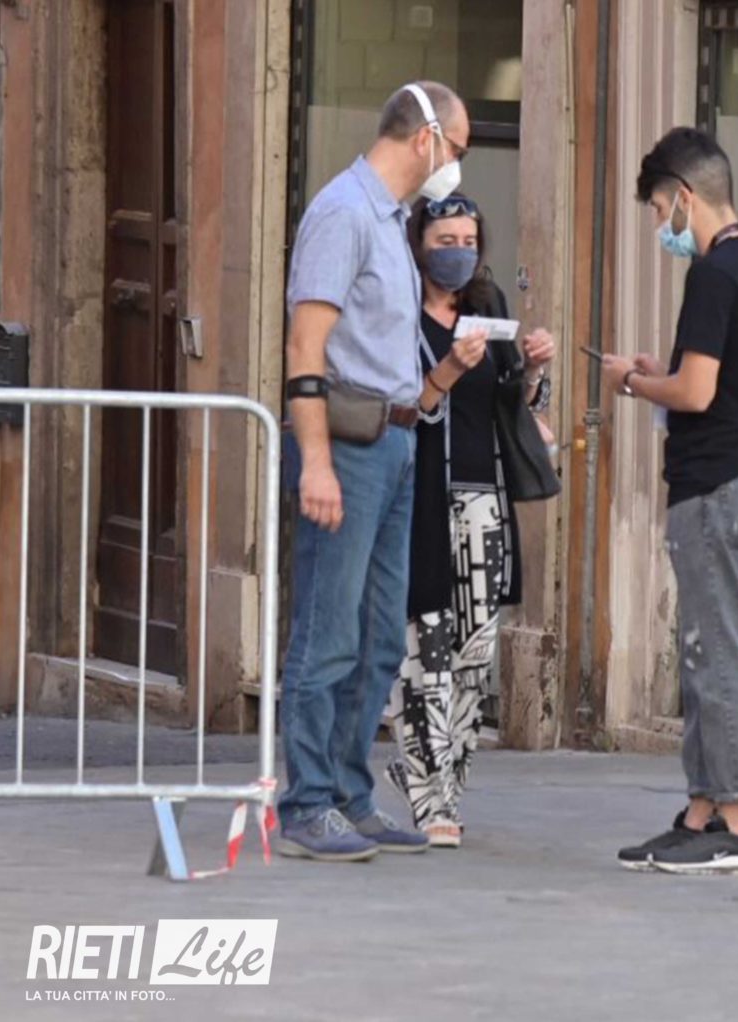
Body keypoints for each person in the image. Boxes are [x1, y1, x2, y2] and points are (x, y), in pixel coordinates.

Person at [277, 82, 470, 862]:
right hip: (348, 444)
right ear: (426, 138)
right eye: (457, 148)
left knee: (380, 636)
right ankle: (306, 803)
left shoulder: (392, 221)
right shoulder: (344, 214)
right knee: (328, 631)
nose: (456, 164)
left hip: (396, 441)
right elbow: (305, 347)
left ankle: (349, 796)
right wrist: (316, 463)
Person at [602, 127, 738, 875]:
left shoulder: (714, 275)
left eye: (659, 210)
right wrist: (670, 371)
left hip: (713, 485)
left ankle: (737, 824)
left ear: (684, 196)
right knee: (706, 651)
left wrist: (632, 381)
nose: (661, 226)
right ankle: (701, 811)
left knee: (717, 657)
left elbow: (695, 392)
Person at [385, 192, 556, 848]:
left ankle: (446, 786)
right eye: (444, 241)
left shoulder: (487, 308)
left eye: (467, 242)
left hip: (485, 503)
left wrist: (533, 368)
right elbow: (408, 408)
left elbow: (515, 404)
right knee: (424, 648)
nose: (457, 253)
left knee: (473, 657)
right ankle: (429, 799)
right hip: (421, 499)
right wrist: (451, 369)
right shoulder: (400, 316)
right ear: (419, 245)